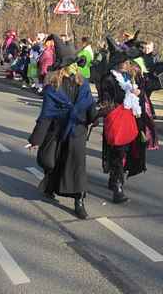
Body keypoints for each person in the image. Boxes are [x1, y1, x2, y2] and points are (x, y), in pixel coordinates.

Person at [28, 36, 97, 219]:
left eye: (75, 66)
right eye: (70, 66)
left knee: (76, 165)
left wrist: (94, 117)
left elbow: (90, 105)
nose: (73, 69)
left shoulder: (83, 85)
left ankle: (79, 200)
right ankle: (50, 186)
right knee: (52, 160)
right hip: (58, 129)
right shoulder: (52, 87)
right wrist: (36, 139)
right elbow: (46, 115)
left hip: (77, 130)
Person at [99, 36, 148, 204]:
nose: (127, 65)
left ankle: (115, 179)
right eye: (124, 62)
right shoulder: (108, 79)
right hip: (115, 120)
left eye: (128, 62)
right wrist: (129, 95)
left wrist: (137, 94)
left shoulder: (127, 78)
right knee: (117, 152)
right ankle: (118, 186)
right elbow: (107, 100)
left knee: (124, 152)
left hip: (129, 120)